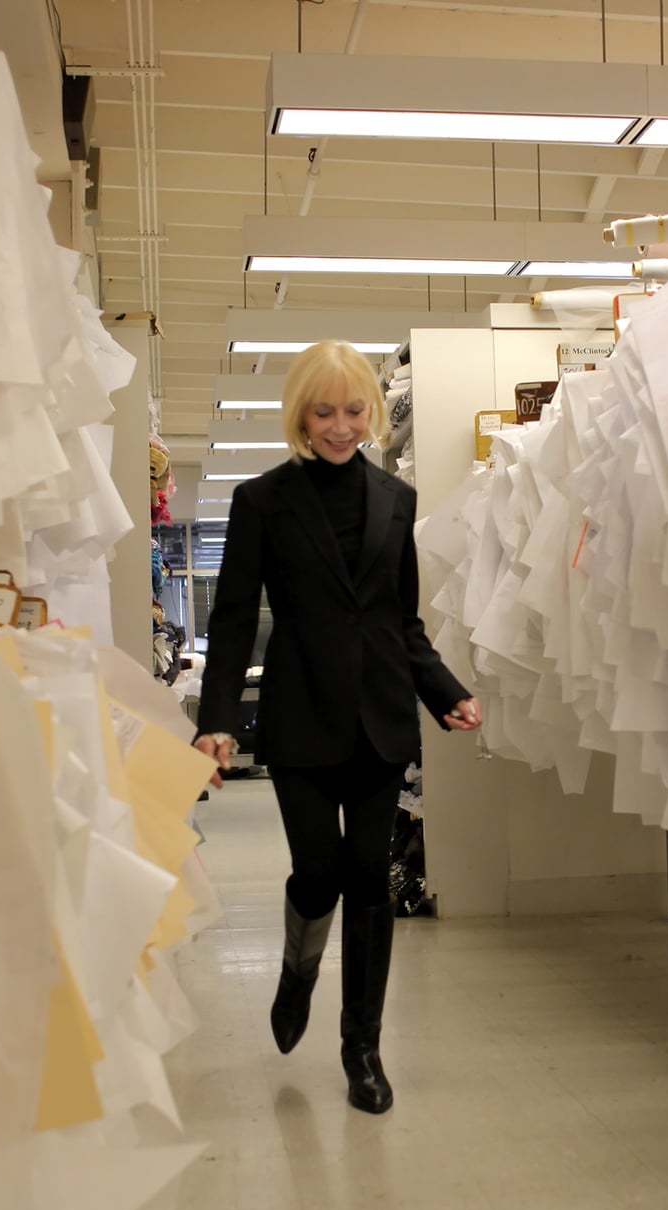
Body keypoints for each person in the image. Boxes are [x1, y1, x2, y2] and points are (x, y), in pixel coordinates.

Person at [193, 339, 481, 1114]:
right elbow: (229, 623)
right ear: (300, 414)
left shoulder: (396, 498)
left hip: (382, 721)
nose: (341, 425)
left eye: (355, 409)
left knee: (369, 883)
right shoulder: (261, 502)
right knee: (318, 875)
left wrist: (445, 690)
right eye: (324, 411)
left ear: (373, 411)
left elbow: (401, 622)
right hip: (301, 720)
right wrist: (215, 721)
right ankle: (297, 969)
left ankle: (363, 1046)